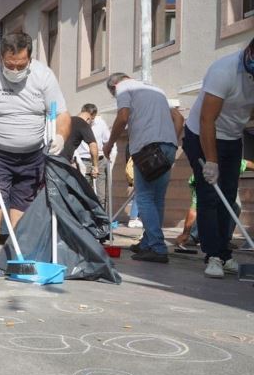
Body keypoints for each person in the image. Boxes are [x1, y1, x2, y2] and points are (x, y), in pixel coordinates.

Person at [0, 32, 70, 275]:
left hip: (32, 154)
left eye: (21, 65)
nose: (15, 70)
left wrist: (61, 136)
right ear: (1, 58)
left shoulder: (43, 76)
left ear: (30, 59)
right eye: (10, 65)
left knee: (23, 202)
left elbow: (62, 114)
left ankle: (16, 252)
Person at [182, 39, 254, 277]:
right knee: (209, 194)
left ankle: (224, 253)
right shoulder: (224, 70)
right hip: (201, 134)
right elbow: (206, 120)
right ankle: (212, 255)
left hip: (233, 137)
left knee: (229, 196)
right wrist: (210, 162)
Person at [103, 73, 183, 264]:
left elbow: (123, 117)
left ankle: (156, 246)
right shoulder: (156, 89)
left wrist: (109, 143)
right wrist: (171, 140)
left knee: (144, 196)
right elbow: (179, 118)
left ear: (114, 87)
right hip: (169, 145)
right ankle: (148, 242)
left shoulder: (123, 87)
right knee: (157, 199)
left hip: (147, 147)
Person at [75, 104, 113, 210]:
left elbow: (107, 140)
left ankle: (102, 221)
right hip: (84, 161)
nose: (91, 121)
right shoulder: (77, 123)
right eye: (89, 118)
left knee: (101, 195)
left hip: (100, 160)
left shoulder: (100, 123)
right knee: (85, 193)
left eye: (93, 118)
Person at [62, 104, 99, 180]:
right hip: (63, 162)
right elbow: (93, 146)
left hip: (53, 158)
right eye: (92, 119)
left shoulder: (67, 120)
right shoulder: (83, 124)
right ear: (89, 118)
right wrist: (95, 166)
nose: (91, 123)